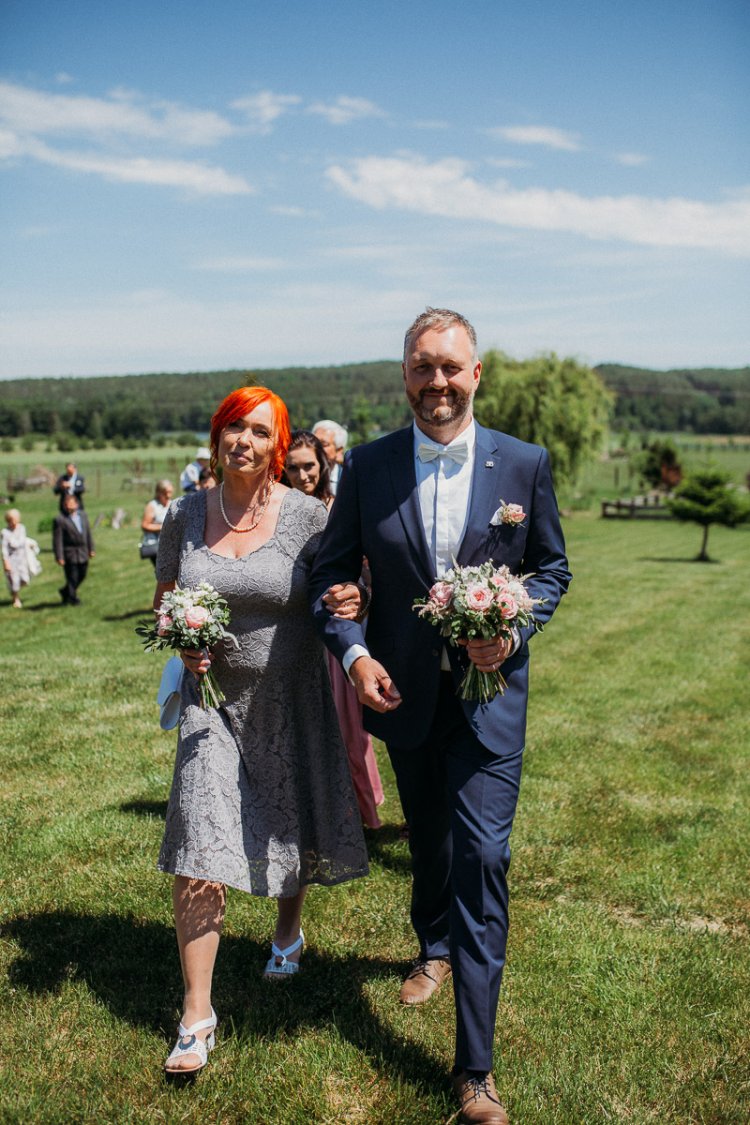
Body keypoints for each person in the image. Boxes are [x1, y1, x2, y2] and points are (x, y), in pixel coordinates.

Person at [310, 308, 572, 1125]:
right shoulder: (369, 465)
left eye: (451, 368)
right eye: (422, 368)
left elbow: (552, 569)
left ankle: (476, 1072)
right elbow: (329, 573)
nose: (437, 383)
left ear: (477, 373)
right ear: (405, 376)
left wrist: (513, 620)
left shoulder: (523, 465)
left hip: (492, 711)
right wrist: (354, 652)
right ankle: (431, 943)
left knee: (482, 859)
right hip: (403, 699)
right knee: (430, 839)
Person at [153, 387, 369, 1077]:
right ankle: (196, 1012)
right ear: (216, 438)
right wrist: (179, 637)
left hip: (291, 694)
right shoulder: (187, 514)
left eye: (256, 429)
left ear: (276, 443)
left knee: (286, 818)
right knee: (198, 835)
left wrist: (349, 600)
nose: (241, 440)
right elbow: (164, 601)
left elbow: (346, 586)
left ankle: (285, 929)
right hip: (209, 699)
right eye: (230, 427)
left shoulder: (308, 514)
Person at [284, 430, 385, 829]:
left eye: (308, 465)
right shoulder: (282, 509)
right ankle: (322, 811)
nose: (302, 474)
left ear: (322, 465)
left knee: (351, 728)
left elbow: (365, 563)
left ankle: (366, 814)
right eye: (292, 467)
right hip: (294, 630)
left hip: (337, 629)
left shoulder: (339, 507)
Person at [53, 493, 95, 605]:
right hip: (69, 553)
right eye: (67, 504)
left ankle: (65, 591)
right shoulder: (60, 520)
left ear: (77, 504)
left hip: (83, 551)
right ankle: (73, 599)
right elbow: (57, 540)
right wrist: (59, 556)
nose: (70, 506)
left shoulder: (83, 515)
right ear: (64, 505)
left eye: (72, 503)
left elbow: (88, 534)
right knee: (72, 576)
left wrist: (91, 548)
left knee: (82, 574)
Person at [3, 508, 36, 608]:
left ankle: (13, 590)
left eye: (15, 519)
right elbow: (4, 549)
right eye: (11, 520)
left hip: (22, 558)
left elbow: (24, 540)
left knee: (25, 580)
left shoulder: (22, 528)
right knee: (14, 580)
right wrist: (6, 562)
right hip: (12, 560)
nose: (13, 522)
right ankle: (16, 598)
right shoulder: (4, 532)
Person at [140, 480, 174, 568]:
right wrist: (162, 527)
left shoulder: (172, 503)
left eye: (170, 492)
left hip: (170, 544)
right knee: (163, 572)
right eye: (166, 492)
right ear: (159, 492)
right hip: (156, 545)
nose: (168, 495)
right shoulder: (152, 506)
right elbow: (145, 525)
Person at [312, 420, 347, 495]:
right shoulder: (303, 477)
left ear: (339, 450)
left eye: (324, 444)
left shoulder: (347, 479)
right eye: (313, 442)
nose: (316, 448)